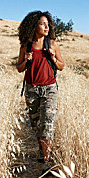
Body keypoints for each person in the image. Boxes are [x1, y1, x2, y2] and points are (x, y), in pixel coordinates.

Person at [16, 11, 65, 165]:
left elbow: (61, 66)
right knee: (37, 124)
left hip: (49, 89)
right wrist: (26, 60)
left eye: (47, 24)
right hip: (32, 90)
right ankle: (42, 151)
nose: (47, 27)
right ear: (33, 26)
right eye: (43, 24)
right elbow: (19, 68)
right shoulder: (26, 46)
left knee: (48, 124)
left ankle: (46, 162)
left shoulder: (52, 44)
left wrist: (53, 58)